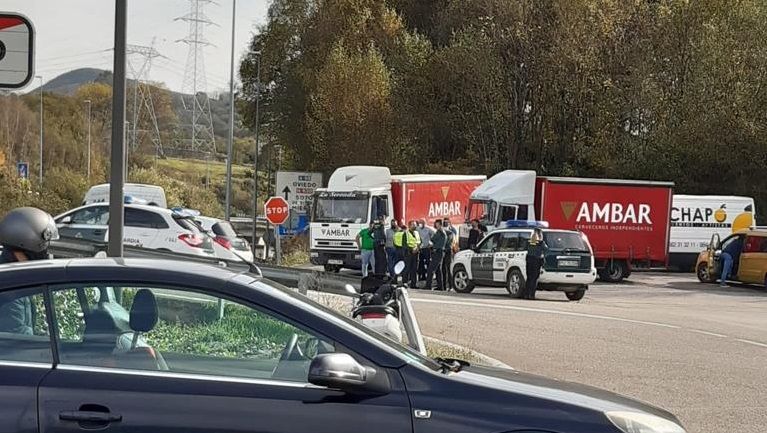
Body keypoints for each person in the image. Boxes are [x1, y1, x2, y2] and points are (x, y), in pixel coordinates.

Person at [0, 207, 59, 334]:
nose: (47, 255)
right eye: (44, 250)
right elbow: (17, 336)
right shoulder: (11, 290)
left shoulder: (17, 276)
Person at [522, 229, 547, 300]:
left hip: (529, 261)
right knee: (534, 279)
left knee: (529, 278)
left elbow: (525, 248)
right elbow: (546, 249)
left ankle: (526, 294)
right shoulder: (541, 243)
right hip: (536, 261)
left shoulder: (529, 242)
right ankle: (531, 295)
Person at [425, 220, 447, 290]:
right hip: (438, 252)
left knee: (430, 270)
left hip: (438, 252)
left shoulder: (441, 233)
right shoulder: (438, 232)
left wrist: (433, 246)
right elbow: (433, 239)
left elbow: (440, 243)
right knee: (438, 270)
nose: (436, 225)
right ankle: (440, 287)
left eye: (437, 224)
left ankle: (428, 286)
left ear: (440, 225)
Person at [401, 221, 421, 288]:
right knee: (407, 269)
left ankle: (413, 284)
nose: (415, 226)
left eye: (415, 225)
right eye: (413, 225)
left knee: (414, 270)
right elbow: (404, 245)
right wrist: (412, 249)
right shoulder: (405, 234)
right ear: (409, 226)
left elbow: (420, 242)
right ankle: (404, 283)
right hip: (408, 254)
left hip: (416, 254)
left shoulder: (417, 233)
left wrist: (418, 248)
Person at [442, 218, 457, 291]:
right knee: (445, 269)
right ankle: (445, 286)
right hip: (446, 251)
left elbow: (450, 243)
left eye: (446, 223)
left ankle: (449, 286)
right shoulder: (448, 232)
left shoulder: (450, 232)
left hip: (447, 251)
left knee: (447, 269)